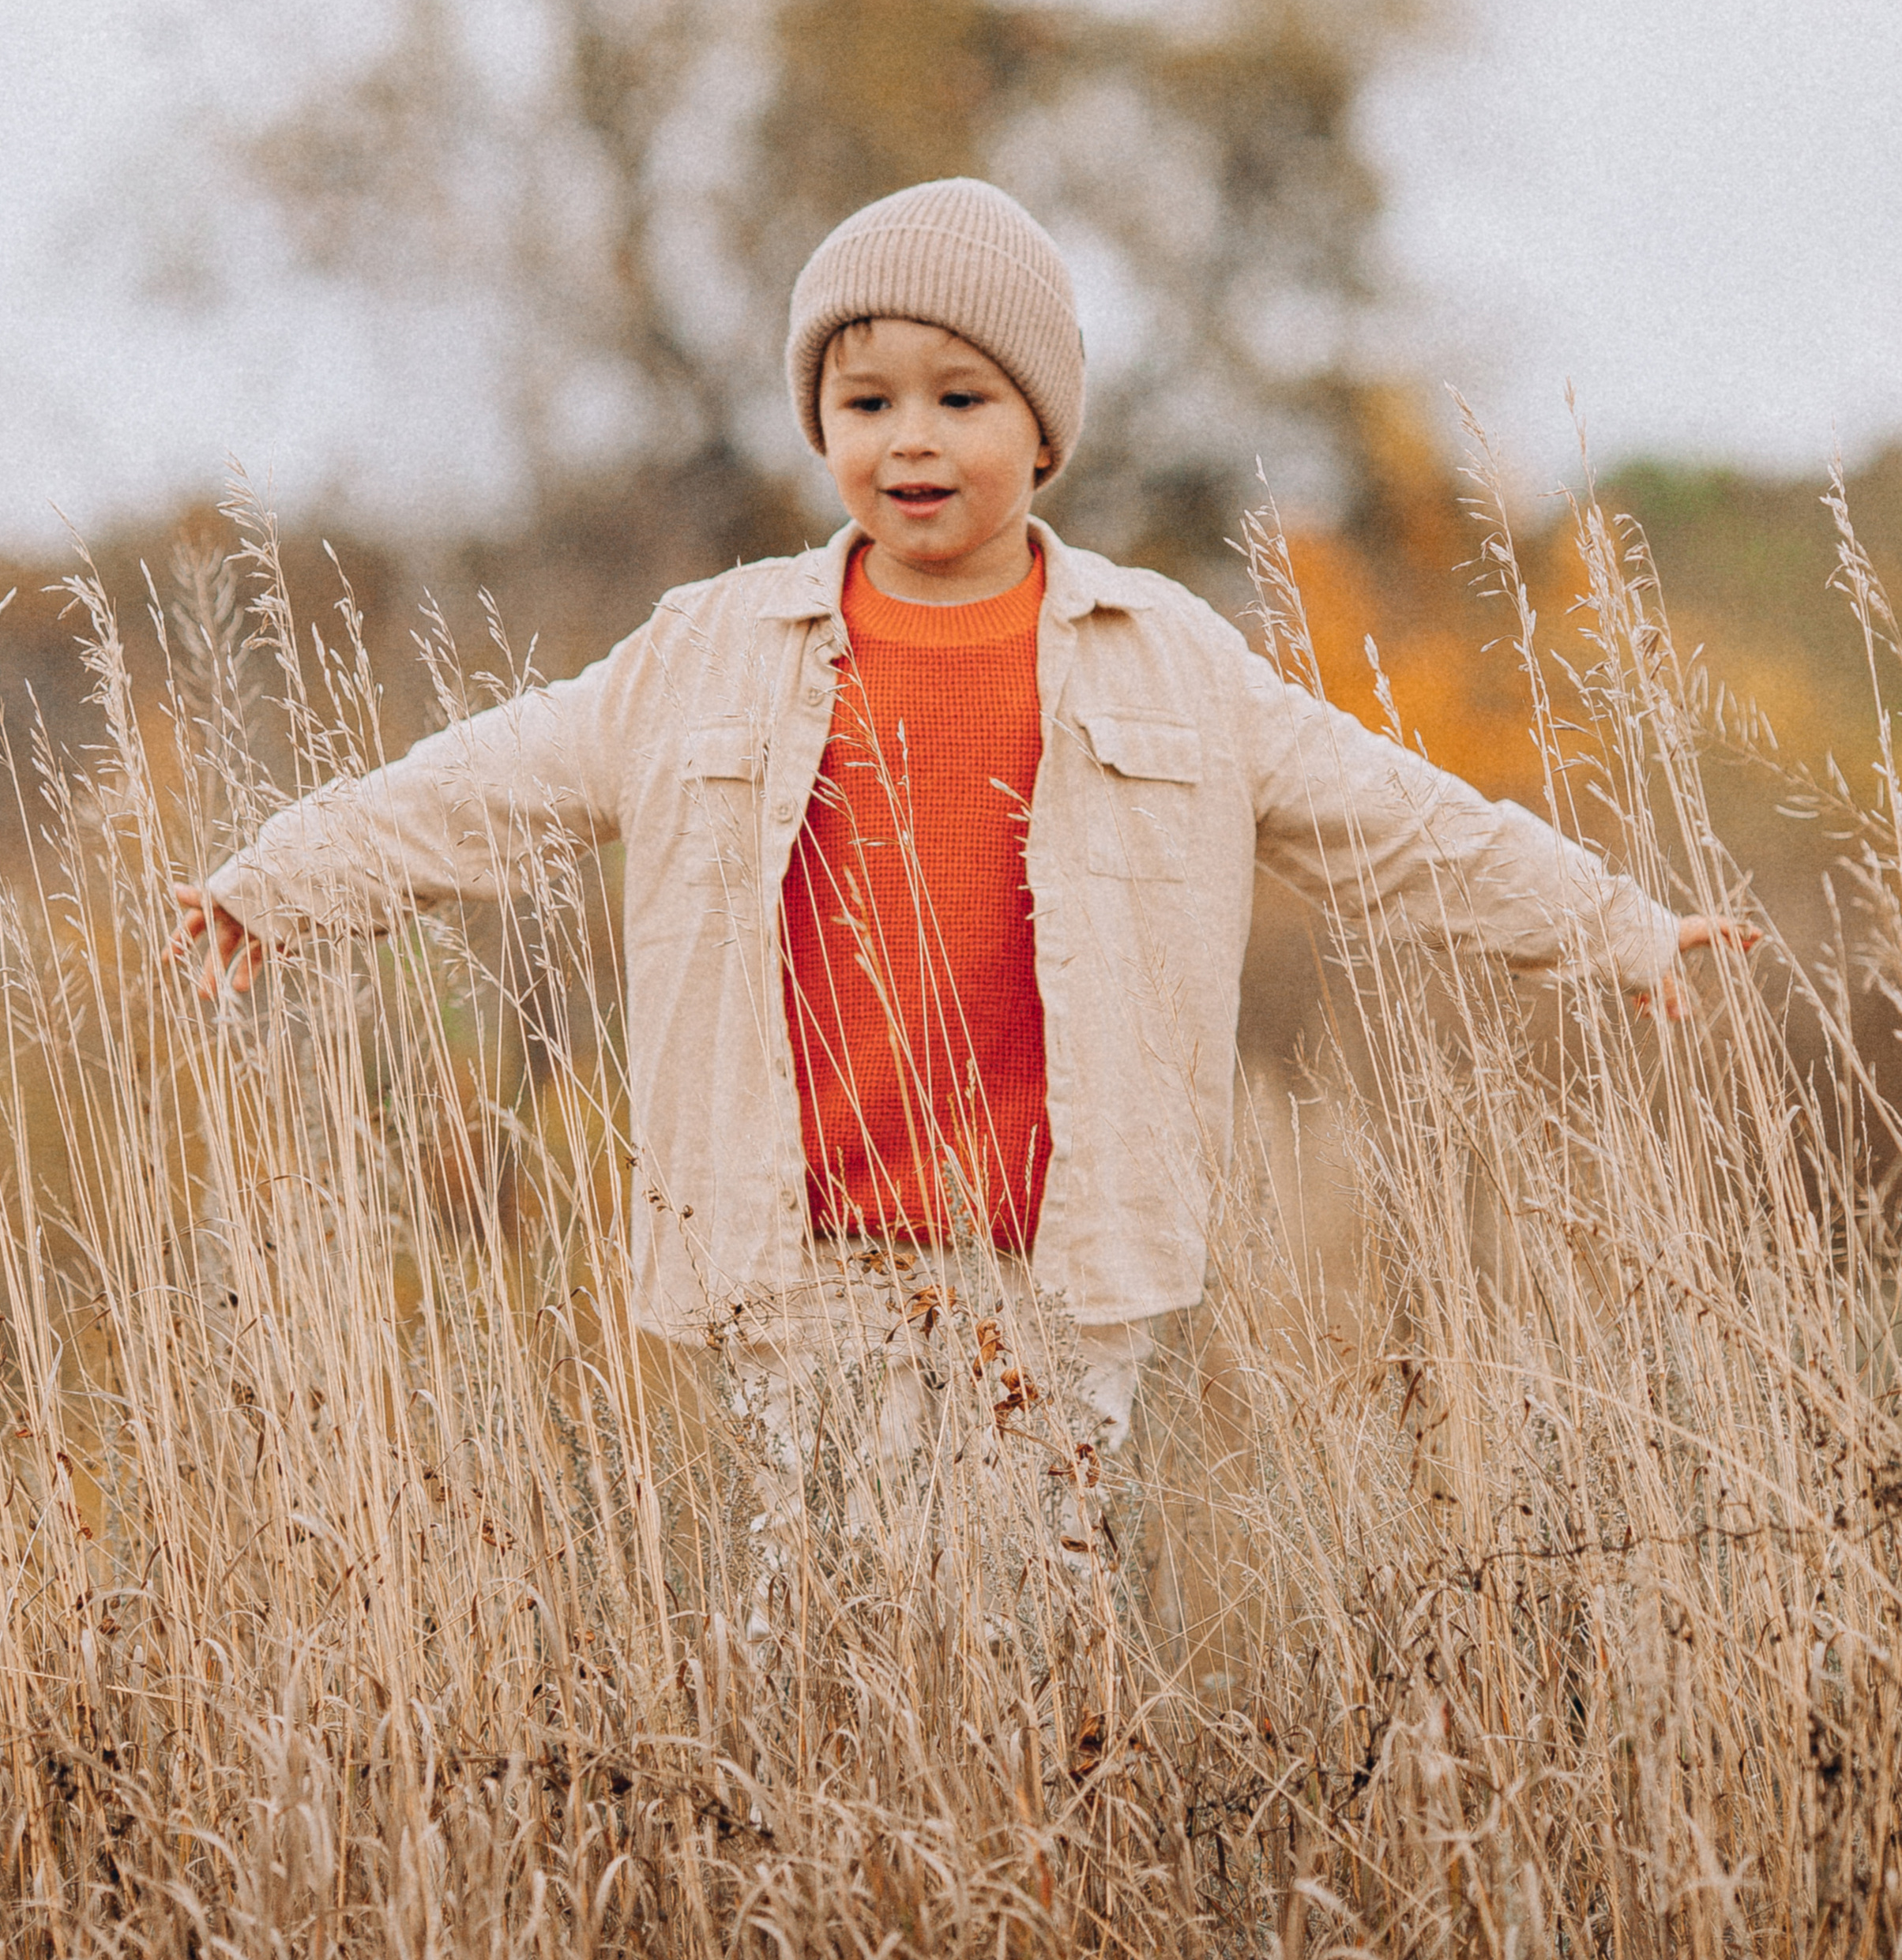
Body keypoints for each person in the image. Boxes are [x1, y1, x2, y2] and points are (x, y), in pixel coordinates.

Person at [172, 177, 1743, 1601]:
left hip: (1052, 1260)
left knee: (1022, 1620)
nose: (908, 439)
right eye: (865, 400)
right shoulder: (712, 647)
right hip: (797, 1251)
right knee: (826, 1622)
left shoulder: (1168, 659)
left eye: (957, 398)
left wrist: (1604, 924)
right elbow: (496, 777)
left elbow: (1389, 819)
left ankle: (1025, 1910)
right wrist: (281, 885)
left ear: (1041, 431)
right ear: (820, 424)